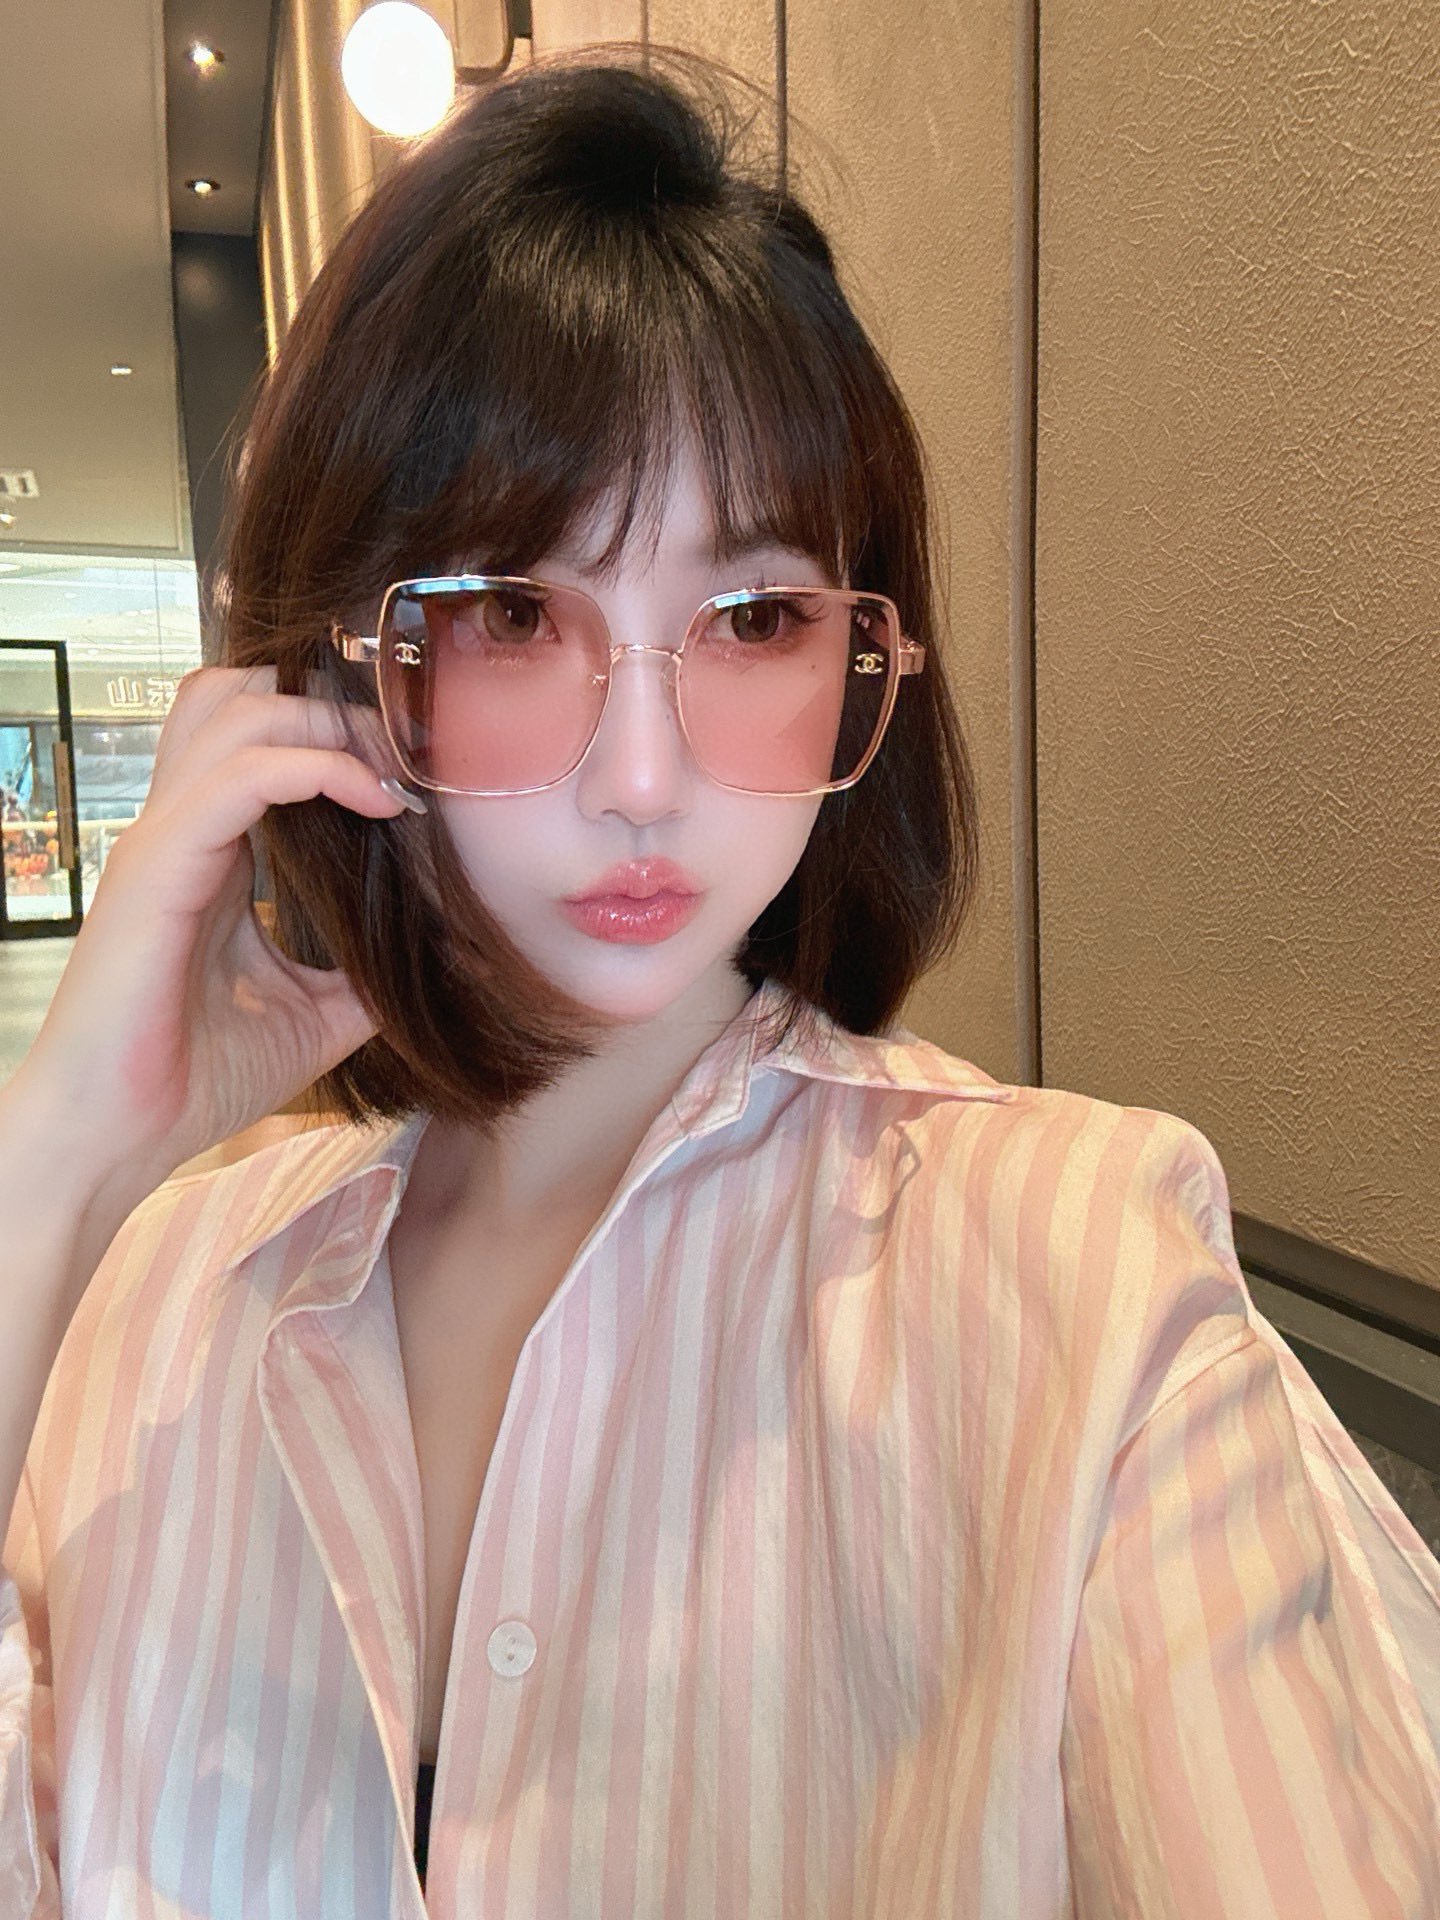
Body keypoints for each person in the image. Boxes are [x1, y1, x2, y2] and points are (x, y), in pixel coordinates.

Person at [1, 41, 1437, 1920]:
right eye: (515, 612)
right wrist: (60, 1163)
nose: (645, 776)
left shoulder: (1083, 1279)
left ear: (865, 653)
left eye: (754, 618)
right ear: (342, 667)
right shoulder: (158, 1298)